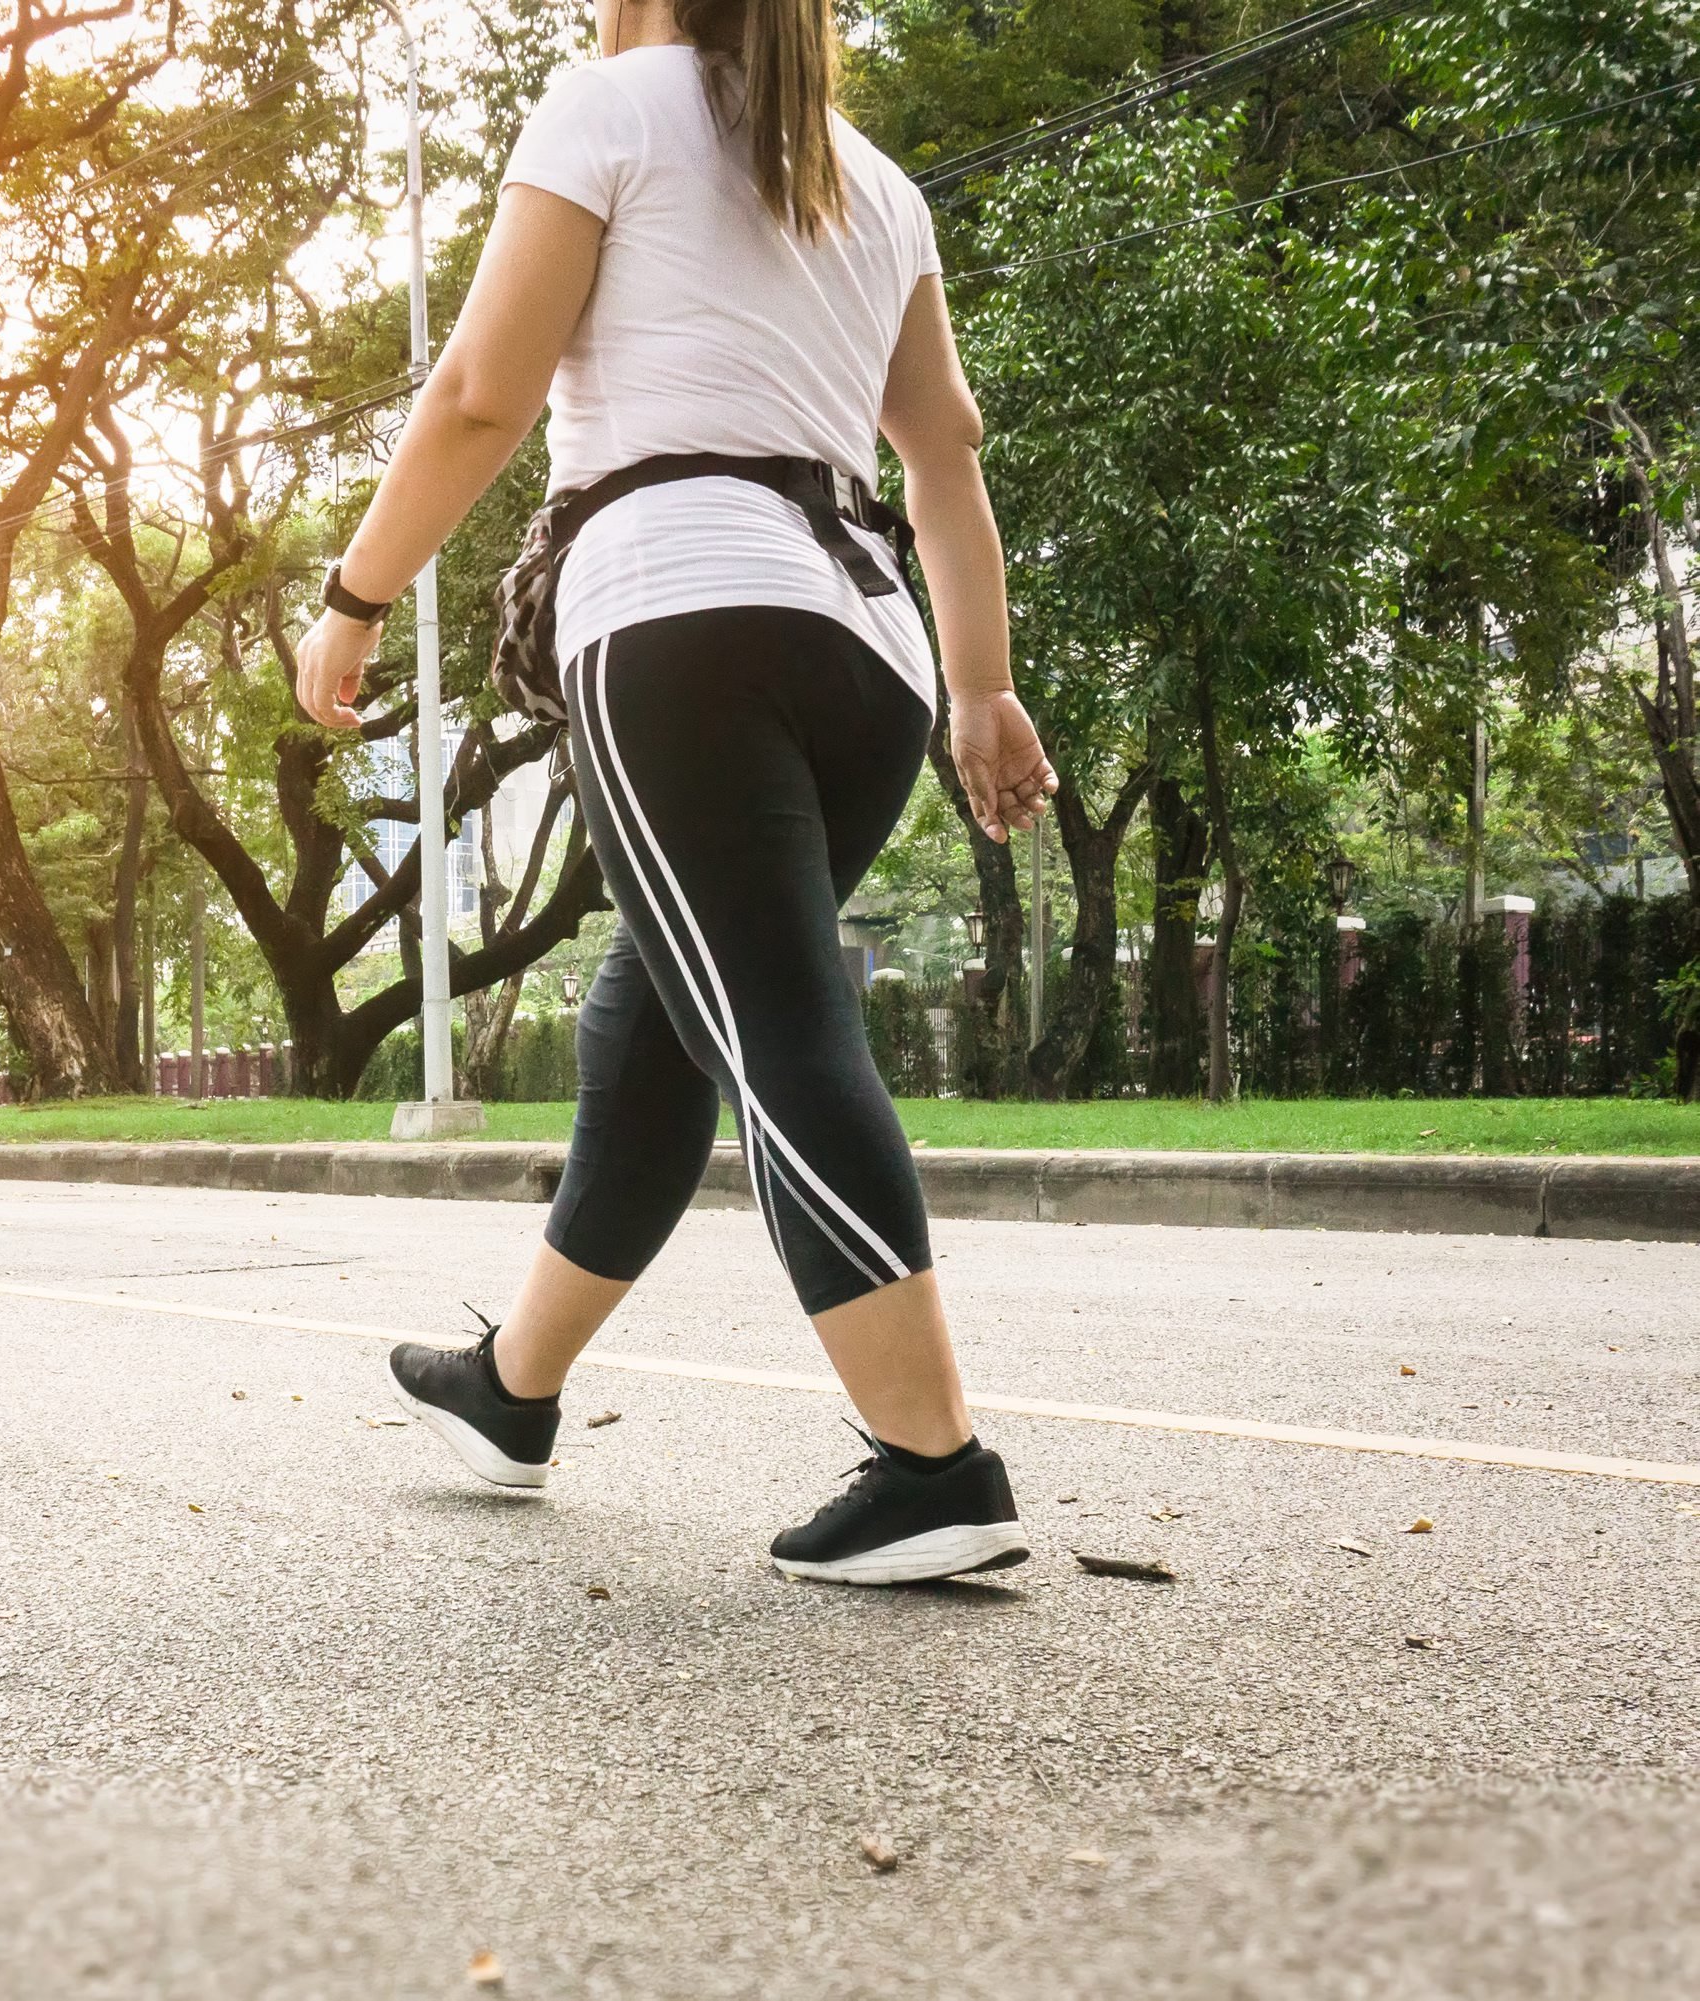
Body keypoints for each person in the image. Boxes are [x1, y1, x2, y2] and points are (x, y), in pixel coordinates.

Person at [296, 0, 1054, 1585]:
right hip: (873, 659)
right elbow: (946, 457)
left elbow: (480, 399)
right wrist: (980, 686)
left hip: (679, 617)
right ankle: (514, 1392)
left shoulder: (609, 103)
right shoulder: (872, 179)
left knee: (772, 1022)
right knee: (652, 1023)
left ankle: (935, 1467)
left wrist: (357, 597)